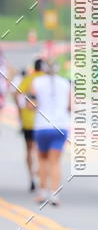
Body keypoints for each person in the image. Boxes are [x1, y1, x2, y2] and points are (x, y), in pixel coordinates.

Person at [30, 62, 71, 206]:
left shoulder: (36, 82)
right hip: (60, 125)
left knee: (42, 160)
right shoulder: (65, 83)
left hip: (42, 125)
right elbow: (71, 105)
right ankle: (54, 194)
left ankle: (42, 192)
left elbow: (31, 104)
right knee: (55, 162)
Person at [14, 59, 46, 190]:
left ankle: (32, 177)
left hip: (28, 119)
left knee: (29, 149)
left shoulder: (29, 79)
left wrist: (20, 109)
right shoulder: (48, 79)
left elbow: (16, 93)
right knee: (42, 151)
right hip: (44, 121)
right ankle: (40, 177)